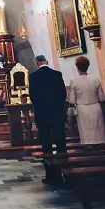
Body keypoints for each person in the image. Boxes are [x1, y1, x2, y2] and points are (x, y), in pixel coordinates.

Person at [29, 54, 68, 183]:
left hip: (42, 114)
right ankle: (66, 173)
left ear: (37, 63)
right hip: (57, 113)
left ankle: (51, 175)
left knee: (46, 144)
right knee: (61, 142)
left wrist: (41, 106)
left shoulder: (34, 76)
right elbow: (63, 94)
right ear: (46, 61)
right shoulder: (57, 74)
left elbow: (33, 96)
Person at [68, 55, 105, 145]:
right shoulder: (95, 79)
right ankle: (101, 152)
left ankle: (89, 149)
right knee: (98, 132)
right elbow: (102, 97)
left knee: (86, 134)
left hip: (82, 110)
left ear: (77, 68)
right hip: (95, 107)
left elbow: (72, 100)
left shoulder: (74, 80)